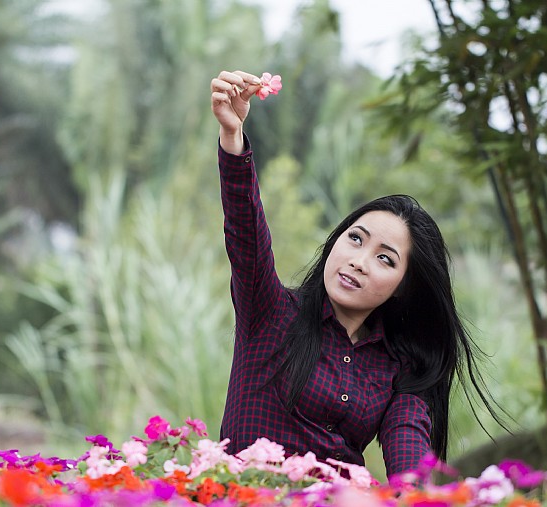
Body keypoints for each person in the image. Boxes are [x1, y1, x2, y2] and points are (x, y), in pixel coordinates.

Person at [210, 70, 500, 478]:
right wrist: (233, 135)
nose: (359, 261)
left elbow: (408, 455)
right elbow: (245, 232)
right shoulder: (271, 312)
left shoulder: (397, 368)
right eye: (356, 239)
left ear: (403, 287)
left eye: (385, 259)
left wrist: (416, 497)